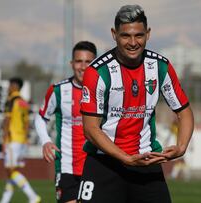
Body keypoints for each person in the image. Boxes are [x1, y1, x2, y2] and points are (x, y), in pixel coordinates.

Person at [79, 4, 194, 203]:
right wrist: (125, 158)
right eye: (126, 36)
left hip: (146, 161)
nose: (133, 42)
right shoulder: (97, 72)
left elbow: (184, 112)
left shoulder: (160, 67)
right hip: (104, 163)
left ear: (148, 34)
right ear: (114, 34)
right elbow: (90, 129)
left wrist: (181, 147)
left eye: (139, 35)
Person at [35, 41, 97, 203]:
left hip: (96, 166)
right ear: (71, 64)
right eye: (78, 61)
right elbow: (41, 117)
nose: (83, 67)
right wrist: (46, 141)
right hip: (66, 166)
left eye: (88, 62)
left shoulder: (104, 90)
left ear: (96, 63)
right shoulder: (58, 90)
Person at [0, 77, 41, 203]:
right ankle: (4, 200)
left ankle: (32, 196)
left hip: (13, 139)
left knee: (10, 170)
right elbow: (27, 122)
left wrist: (4, 139)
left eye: (10, 85)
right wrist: (26, 138)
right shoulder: (24, 102)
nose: (8, 88)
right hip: (22, 139)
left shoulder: (11, 100)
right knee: (12, 171)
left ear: (14, 86)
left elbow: (7, 120)